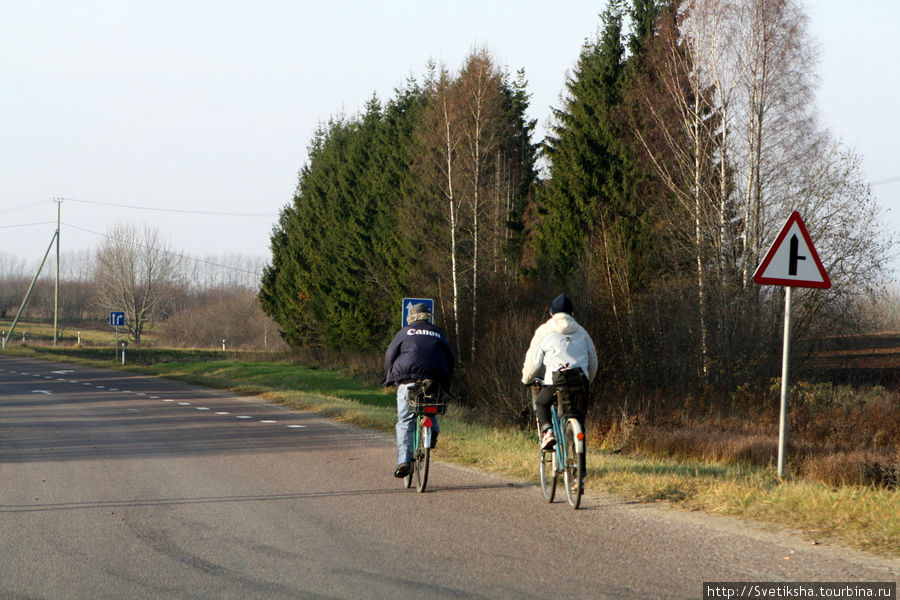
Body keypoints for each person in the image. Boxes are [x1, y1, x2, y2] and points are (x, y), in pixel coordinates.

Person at [384, 302, 455, 478]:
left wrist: (389, 376)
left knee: (405, 420)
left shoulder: (404, 332)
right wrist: (446, 377)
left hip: (407, 380)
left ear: (412, 318)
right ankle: (432, 432)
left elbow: (390, 355)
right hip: (434, 379)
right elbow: (450, 357)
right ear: (427, 317)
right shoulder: (437, 332)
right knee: (429, 407)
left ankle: (404, 461)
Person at [521, 293, 598, 450]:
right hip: (580, 381)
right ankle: (579, 465)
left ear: (551, 313)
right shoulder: (582, 332)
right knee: (579, 417)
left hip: (556, 383)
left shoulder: (544, 331)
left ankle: (548, 432)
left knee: (541, 403)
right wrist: (587, 382)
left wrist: (526, 379)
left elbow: (532, 363)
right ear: (572, 314)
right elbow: (593, 362)